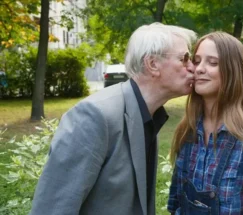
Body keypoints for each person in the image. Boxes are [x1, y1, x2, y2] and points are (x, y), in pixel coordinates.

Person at [29, 22, 196, 215]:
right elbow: (52, 209)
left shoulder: (148, 115)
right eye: (184, 58)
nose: (193, 67)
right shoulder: (93, 116)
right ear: (153, 64)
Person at [167, 32, 243, 215]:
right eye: (197, 60)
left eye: (213, 62)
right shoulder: (188, 131)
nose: (199, 68)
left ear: (233, 71)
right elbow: (176, 205)